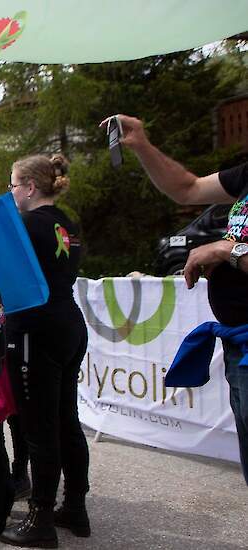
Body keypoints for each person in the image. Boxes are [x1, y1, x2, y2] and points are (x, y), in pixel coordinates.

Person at [103, 114, 248, 485]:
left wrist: (227, 251)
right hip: (238, 345)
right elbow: (187, 188)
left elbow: (231, 249)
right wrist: (142, 145)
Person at [0, 154, 90, 548]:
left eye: (13, 184)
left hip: (36, 329)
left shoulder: (27, 224)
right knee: (67, 419)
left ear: (30, 187)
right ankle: (75, 508)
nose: (10, 191)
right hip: (69, 323)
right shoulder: (65, 221)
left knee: (40, 428)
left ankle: (41, 518)